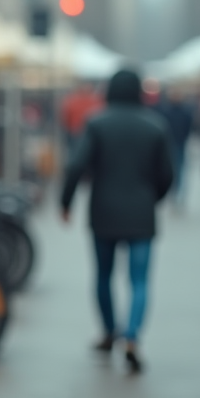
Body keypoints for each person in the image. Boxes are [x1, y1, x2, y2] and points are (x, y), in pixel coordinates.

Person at [61, 69, 173, 373]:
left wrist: (65, 202)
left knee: (103, 276)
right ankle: (133, 336)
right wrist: (153, 198)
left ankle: (109, 331)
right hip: (141, 212)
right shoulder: (155, 126)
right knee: (139, 280)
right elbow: (167, 175)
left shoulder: (97, 123)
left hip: (104, 210)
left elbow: (76, 165)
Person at [154, 87, 195, 206]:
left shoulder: (182, 111)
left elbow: (189, 126)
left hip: (180, 143)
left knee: (180, 170)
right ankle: (174, 194)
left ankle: (179, 195)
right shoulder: (166, 111)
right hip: (170, 144)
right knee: (172, 169)